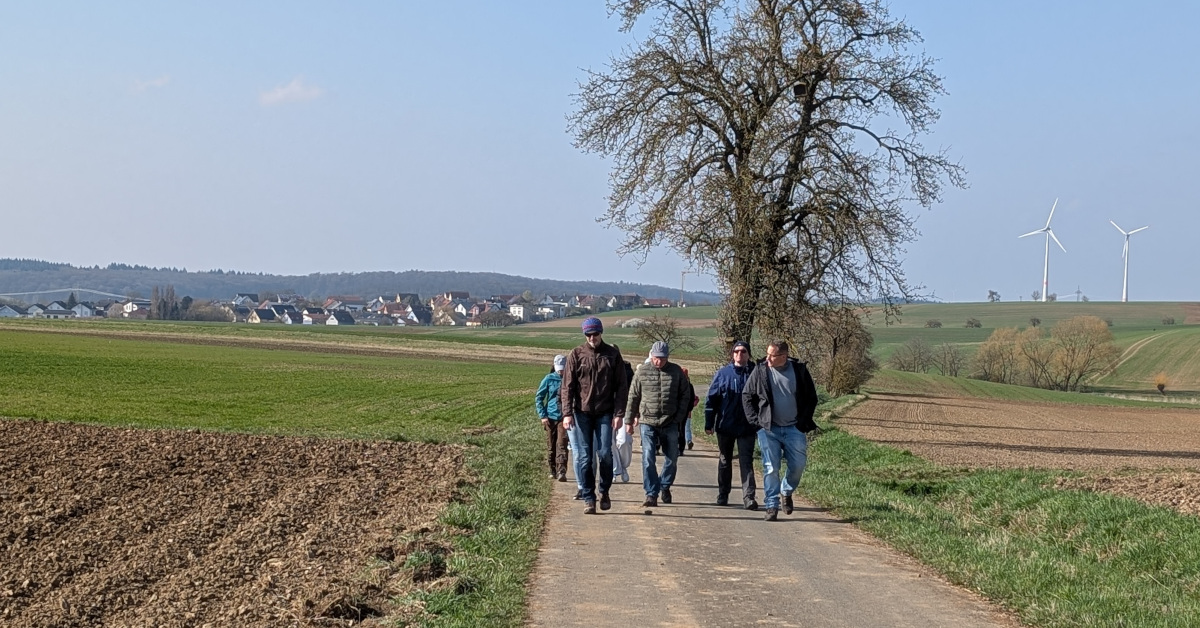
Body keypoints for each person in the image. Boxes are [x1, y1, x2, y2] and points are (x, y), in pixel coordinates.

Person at [742, 340, 819, 521]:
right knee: (771, 467)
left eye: (772, 355)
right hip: (769, 429)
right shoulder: (761, 370)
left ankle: (786, 490)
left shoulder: (799, 370)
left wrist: (803, 422)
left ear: (783, 357)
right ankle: (771, 505)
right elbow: (747, 395)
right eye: (767, 354)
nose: (767, 358)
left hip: (794, 428)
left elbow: (811, 398)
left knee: (798, 465)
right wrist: (756, 423)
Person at [561, 317, 629, 514]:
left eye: (595, 334)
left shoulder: (612, 355)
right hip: (581, 413)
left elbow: (622, 387)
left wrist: (619, 413)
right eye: (588, 335)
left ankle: (604, 491)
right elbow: (567, 386)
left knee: (605, 454)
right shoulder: (576, 354)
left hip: (605, 412)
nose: (592, 338)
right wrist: (567, 413)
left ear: (601, 333)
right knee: (585, 457)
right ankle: (589, 498)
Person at [625, 341, 693, 508]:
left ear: (667, 357)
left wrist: (679, 417)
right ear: (651, 356)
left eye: (662, 359)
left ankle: (665, 485)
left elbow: (686, 395)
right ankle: (651, 493)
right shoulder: (642, 371)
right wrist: (629, 420)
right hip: (647, 421)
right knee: (648, 456)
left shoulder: (676, 371)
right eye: (656, 358)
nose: (659, 361)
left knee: (672, 458)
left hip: (670, 422)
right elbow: (633, 396)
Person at [704, 340, 760, 509]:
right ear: (732, 354)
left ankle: (749, 497)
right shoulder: (723, 374)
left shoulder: (756, 373)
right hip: (725, 425)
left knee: (746, 461)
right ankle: (723, 494)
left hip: (747, 426)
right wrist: (709, 422)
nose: (739, 354)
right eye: (736, 351)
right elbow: (711, 399)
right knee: (724, 460)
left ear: (749, 354)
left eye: (743, 351)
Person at [535, 355, 569, 482]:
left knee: (562, 444)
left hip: (564, 417)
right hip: (550, 416)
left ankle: (562, 471)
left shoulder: (569, 379)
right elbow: (539, 397)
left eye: (563, 369)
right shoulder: (548, 379)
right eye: (559, 369)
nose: (561, 371)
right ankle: (552, 469)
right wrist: (543, 416)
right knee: (551, 446)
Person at [611, 360, 635, 483]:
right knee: (609, 442)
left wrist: (635, 413)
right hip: (606, 409)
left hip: (624, 409)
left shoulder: (627, 369)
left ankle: (623, 466)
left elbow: (634, 393)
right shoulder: (601, 365)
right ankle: (615, 470)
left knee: (624, 440)